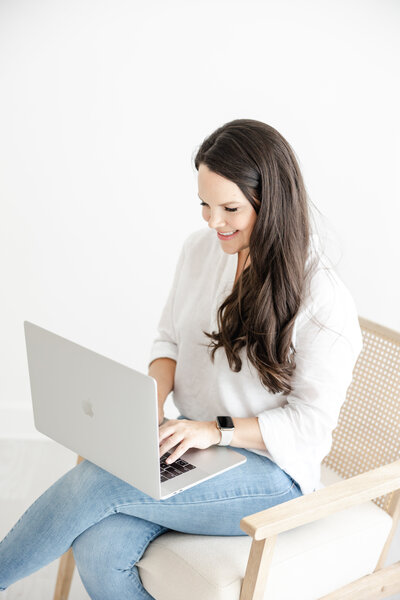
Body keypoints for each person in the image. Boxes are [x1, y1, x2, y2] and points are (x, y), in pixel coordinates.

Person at [0, 118, 363, 599]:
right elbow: (168, 340)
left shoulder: (322, 296)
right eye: (205, 206)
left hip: (272, 470)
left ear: (272, 202)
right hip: (192, 444)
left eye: (230, 208)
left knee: (97, 485)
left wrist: (216, 430)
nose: (214, 222)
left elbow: (310, 425)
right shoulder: (200, 250)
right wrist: (152, 399)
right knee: (100, 546)